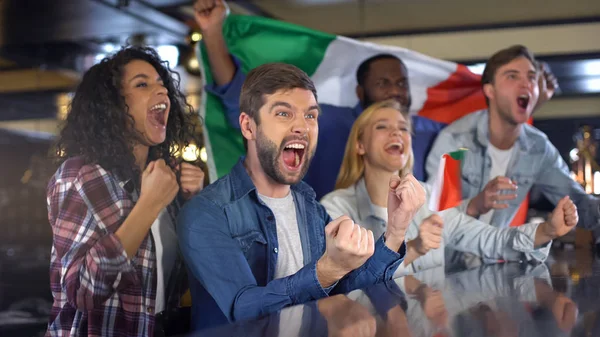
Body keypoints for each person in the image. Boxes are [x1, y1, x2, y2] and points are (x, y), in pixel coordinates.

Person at [178, 63, 425, 331]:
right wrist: (327, 269)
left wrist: (396, 231)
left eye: (310, 116)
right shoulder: (206, 213)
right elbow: (243, 309)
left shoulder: (310, 207)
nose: (302, 127)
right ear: (248, 127)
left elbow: (348, 289)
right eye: (284, 113)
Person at [193, 0, 446, 199]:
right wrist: (213, 33)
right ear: (359, 93)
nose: (395, 91)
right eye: (383, 84)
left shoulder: (432, 129)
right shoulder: (323, 119)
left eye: (402, 83)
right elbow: (244, 103)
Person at [46, 46, 205, 337]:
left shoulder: (161, 178)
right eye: (142, 84)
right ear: (112, 106)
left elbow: (174, 287)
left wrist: (193, 203)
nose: (162, 92)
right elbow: (81, 292)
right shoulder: (81, 175)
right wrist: (148, 205)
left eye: (162, 84)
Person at [320, 100, 578, 275]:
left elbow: (487, 239)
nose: (396, 134)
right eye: (382, 127)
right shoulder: (334, 208)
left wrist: (546, 231)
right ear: (360, 145)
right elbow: (342, 282)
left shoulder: (430, 197)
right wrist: (414, 248)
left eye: (403, 129)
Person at [425, 45, 599, 234]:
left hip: (494, 261)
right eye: (512, 76)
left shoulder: (538, 148)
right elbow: (431, 216)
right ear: (490, 90)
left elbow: (579, 204)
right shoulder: (455, 140)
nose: (526, 84)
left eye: (532, 77)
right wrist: (475, 205)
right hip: (446, 262)